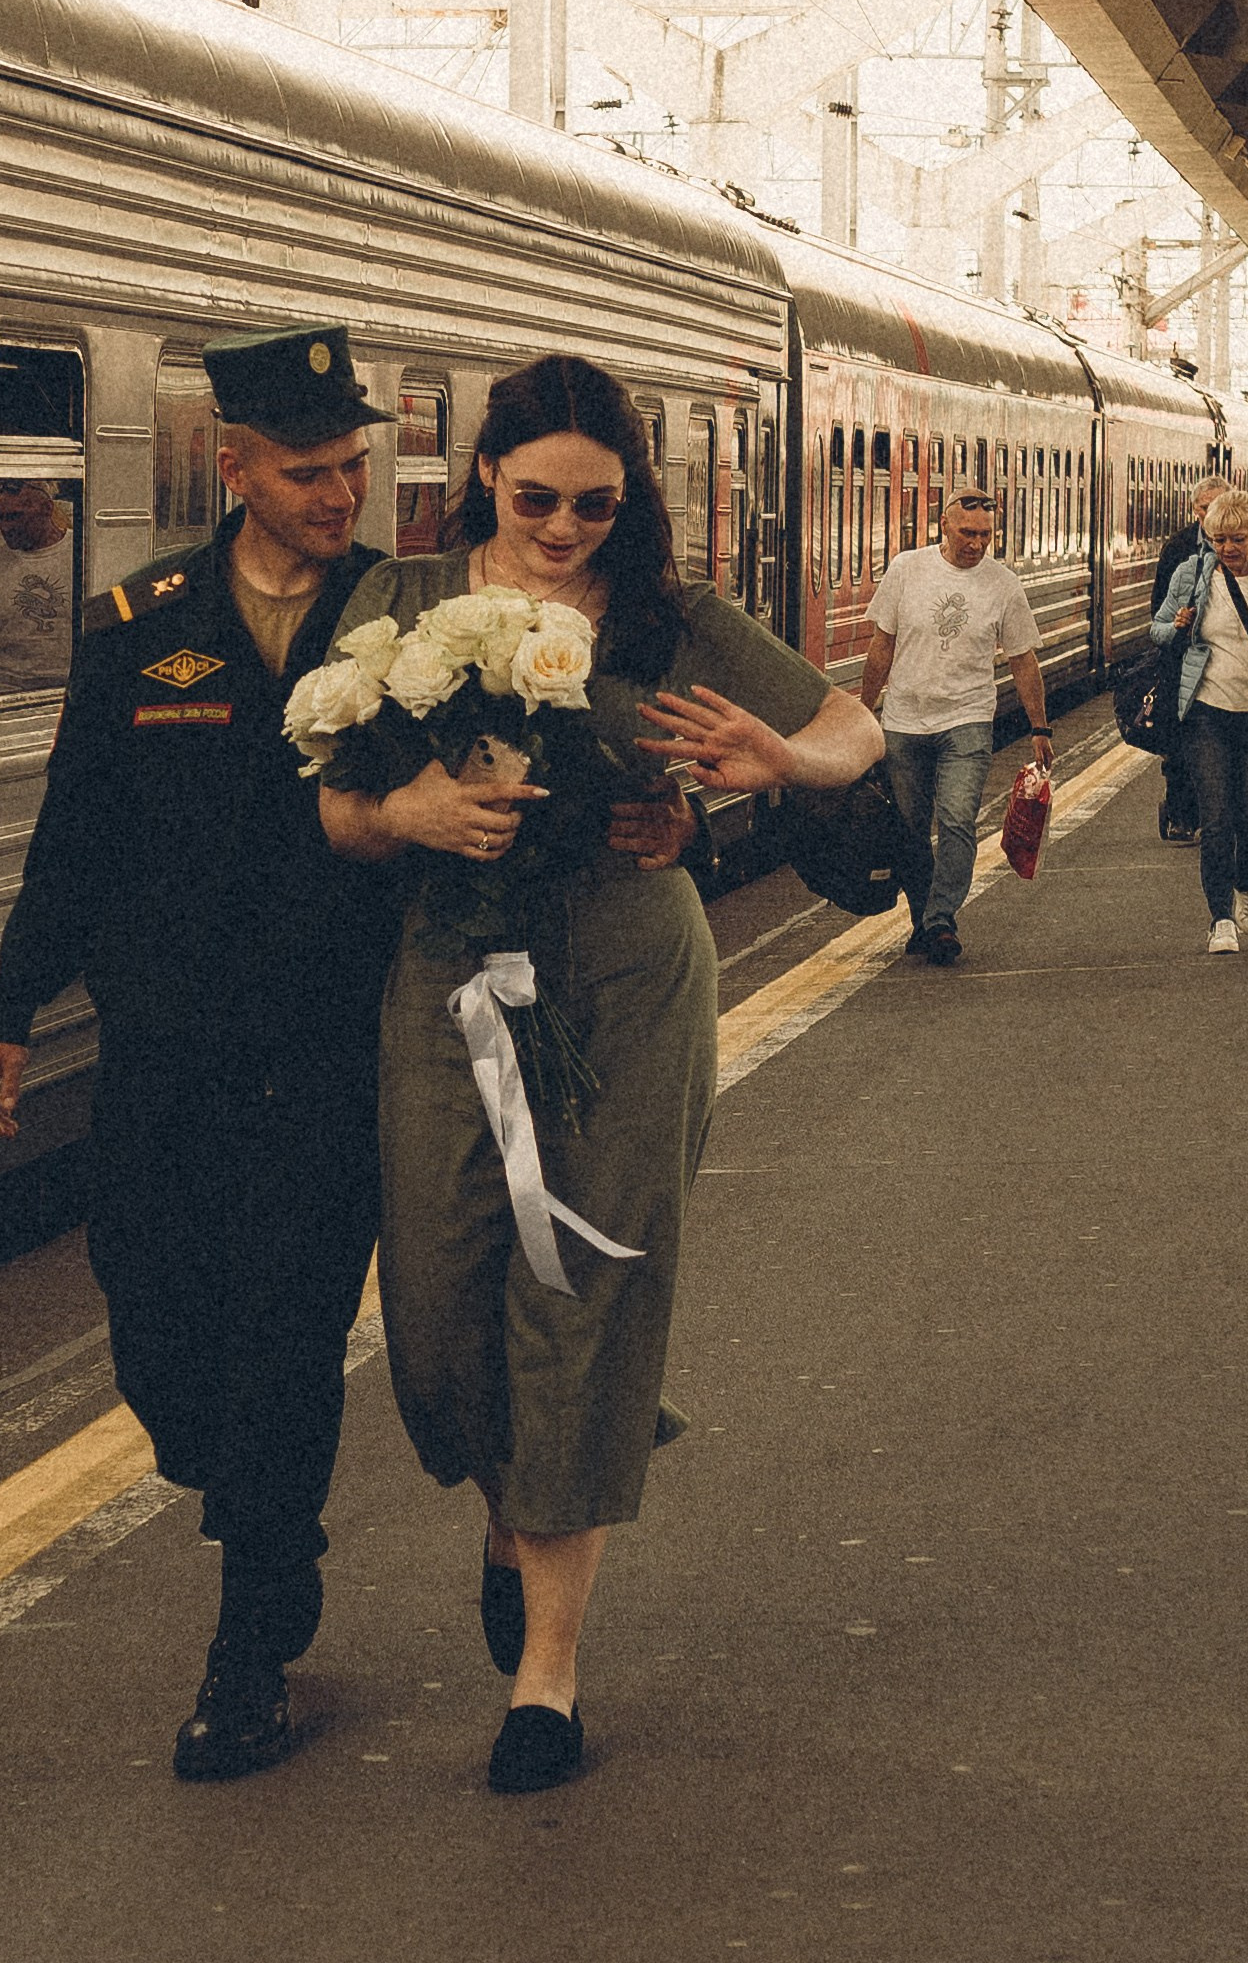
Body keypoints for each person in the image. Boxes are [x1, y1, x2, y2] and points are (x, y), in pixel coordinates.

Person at [317, 353, 880, 1794]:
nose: (564, 528)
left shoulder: (669, 615)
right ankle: (513, 1506)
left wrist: (771, 761)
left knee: (587, 1279)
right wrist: (408, 807)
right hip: (449, 977)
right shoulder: (398, 604)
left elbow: (850, 727)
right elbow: (331, 807)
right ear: (484, 480)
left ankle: (545, 1675)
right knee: (440, 1306)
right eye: (536, 498)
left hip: (627, 975)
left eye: (594, 504)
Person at [0, 325, 403, 1783]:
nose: (339, 492)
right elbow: (74, 827)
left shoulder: (401, 623)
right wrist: (10, 1005)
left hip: (326, 1043)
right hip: (162, 1043)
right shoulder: (136, 621)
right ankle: (237, 1485)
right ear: (237, 467)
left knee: (285, 1336)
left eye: (352, 463)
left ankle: (251, 1630)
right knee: (150, 1309)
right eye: (308, 469)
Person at [858, 484, 1052, 965]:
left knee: (958, 819)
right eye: (968, 533)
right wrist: (862, 714)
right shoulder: (907, 569)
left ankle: (941, 917)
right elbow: (881, 646)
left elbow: (1023, 660)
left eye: (986, 535)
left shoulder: (1003, 583)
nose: (977, 543)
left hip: (967, 718)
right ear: (943, 525)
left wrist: (1040, 727)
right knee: (909, 827)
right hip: (904, 719)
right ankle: (924, 917)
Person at [1152, 488, 1248, 953]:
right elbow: (1155, 629)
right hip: (1205, 711)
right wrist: (1177, 625)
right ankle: (1220, 919)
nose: (1227, 549)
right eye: (1218, 539)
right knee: (1215, 819)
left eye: (1237, 539)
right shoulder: (1192, 572)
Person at [1150, 478, 1232, 844]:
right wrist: (1176, 625)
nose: (1211, 516)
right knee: (1181, 747)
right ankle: (1182, 813)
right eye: (1204, 509)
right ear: (1195, 510)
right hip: (1183, 663)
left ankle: (1219, 816)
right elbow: (1159, 613)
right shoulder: (1179, 549)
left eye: (1218, 507)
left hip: (1229, 664)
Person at [0, 476, 78, 695]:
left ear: (47, 509)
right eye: (2, 518)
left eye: (16, 516)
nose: (7, 527)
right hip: (1, 687)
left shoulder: (79, 552)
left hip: (62, 686)